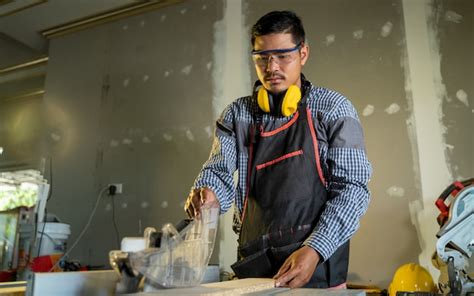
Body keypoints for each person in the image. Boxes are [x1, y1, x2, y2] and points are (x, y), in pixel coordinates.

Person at [184, 10, 371, 289]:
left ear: (303, 53)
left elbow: (353, 190)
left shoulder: (333, 109)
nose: (271, 67)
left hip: (317, 271)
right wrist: (207, 195)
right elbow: (219, 172)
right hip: (255, 274)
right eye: (262, 57)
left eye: (283, 56)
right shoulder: (237, 115)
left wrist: (315, 250)